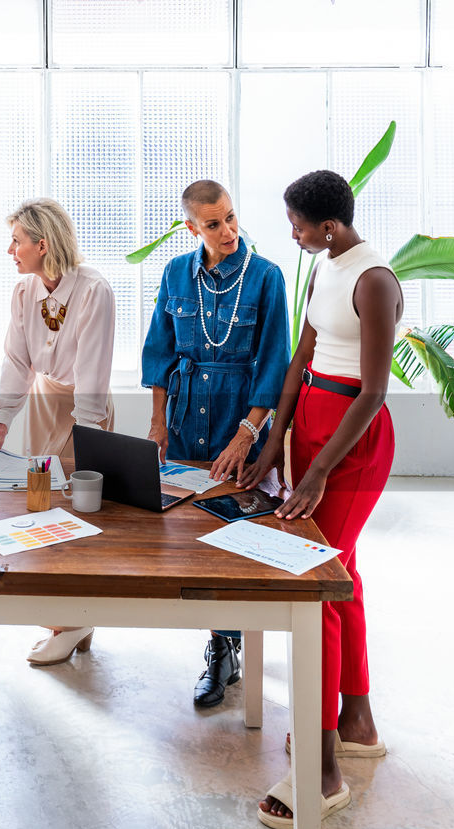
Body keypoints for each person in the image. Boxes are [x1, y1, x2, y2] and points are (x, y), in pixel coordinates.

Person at [240, 170, 400, 829]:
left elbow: (372, 392)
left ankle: (324, 771)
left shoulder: (374, 281)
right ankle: (355, 720)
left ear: (330, 225)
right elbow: (303, 358)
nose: (293, 233)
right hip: (309, 422)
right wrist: (271, 444)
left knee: (318, 585)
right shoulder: (323, 266)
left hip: (351, 440)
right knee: (344, 573)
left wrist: (316, 475)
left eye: (299, 224)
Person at [141, 180, 290, 709]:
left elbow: (275, 365)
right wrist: (158, 424)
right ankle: (219, 640)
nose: (227, 232)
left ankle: (225, 649)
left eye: (230, 218)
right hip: (183, 422)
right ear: (192, 227)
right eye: (213, 224)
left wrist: (246, 436)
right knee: (186, 538)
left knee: (232, 543)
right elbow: (158, 352)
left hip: (239, 421)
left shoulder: (267, 277)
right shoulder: (175, 273)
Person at [0, 197, 115, 665]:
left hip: (85, 407)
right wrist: (2, 417)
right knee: (39, 511)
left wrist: (86, 435)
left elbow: (94, 370)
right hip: (43, 399)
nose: (10, 249)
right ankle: (68, 620)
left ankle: (72, 619)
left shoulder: (94, 290)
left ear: (42, 243)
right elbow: (17, 361)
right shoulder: (24, 291)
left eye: (17, 240)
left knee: (75, 514)